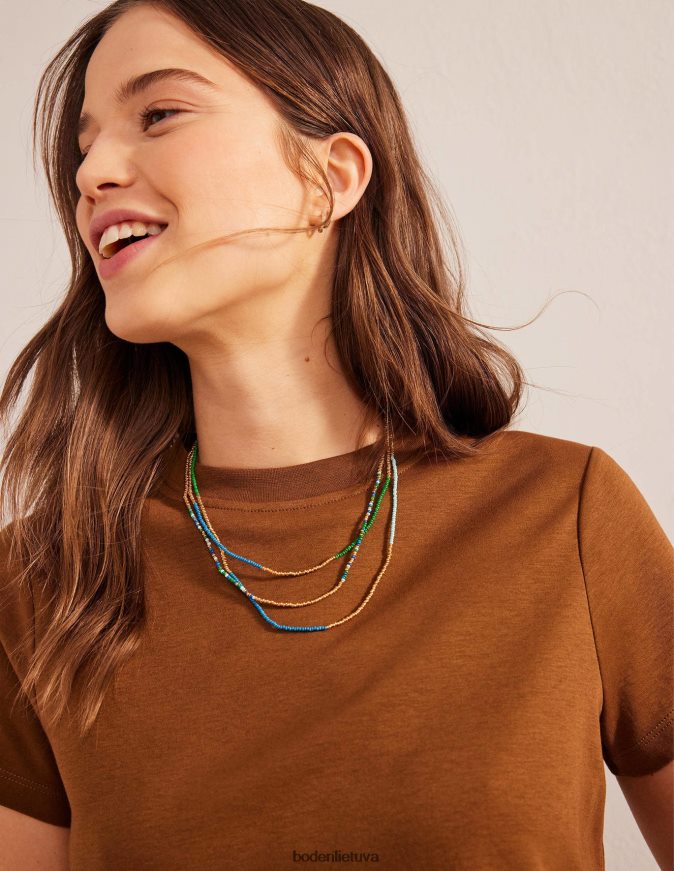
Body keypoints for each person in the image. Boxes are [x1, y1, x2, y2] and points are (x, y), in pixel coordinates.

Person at [0, 1, 672, 869]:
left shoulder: (567, 518)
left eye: (159, 113)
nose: (92, 173)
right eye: (82, 147)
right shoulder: (42, 581)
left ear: (332, 177)